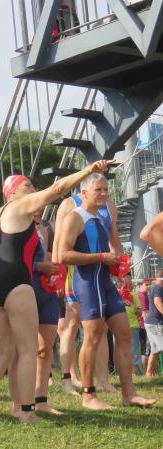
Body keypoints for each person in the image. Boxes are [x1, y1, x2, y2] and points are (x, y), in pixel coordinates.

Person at [0, 162, 114, 423]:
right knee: (28, 349)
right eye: (27, 185)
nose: (33, 189)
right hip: (16, 283)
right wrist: (88, 171)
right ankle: (26, 412)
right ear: (12, 192)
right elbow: (57, 189)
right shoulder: (20, 206)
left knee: (5, 350)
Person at [57, 171, 155, 410]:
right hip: (87, 284)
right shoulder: (74, 217)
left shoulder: (100, 219)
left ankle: (129, 394)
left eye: (105, 190)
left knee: (124, 333)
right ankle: (88, 396)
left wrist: (124, 272)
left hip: (105, 283)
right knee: (92, 337)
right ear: (84, 193)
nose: (103, 194)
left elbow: (115, 247)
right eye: (98, 190)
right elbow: (63, 255)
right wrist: (100, 257)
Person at [30, 216, 62, 414]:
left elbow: (48, 256)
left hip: (46, 289)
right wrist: (39, 267)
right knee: (25, 349)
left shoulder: (44, 227)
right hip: (26, 288)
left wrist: (54, 273)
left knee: (45, 348)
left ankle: (41, 400)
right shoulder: (14, 222)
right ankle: (22, 401)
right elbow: (13, 261)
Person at [118, 274, 143, 374]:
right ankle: (121, 369)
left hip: (133, 326)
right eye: (126, 281)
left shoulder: (134, 295)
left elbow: (140, 312)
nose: (128, 283)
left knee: (134, 349)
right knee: (120, 348)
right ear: (121, 282)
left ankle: (135, 370)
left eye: (130, 280)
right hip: (118, 326)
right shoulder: (116, 294)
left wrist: (132, 306)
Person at [142, 270, 163, 377]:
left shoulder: (156, 287)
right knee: (159, 348)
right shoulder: (159, 288)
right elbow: (157, 302)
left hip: (152, 323)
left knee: (155, 351)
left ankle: (149, 373)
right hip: (156, 323)